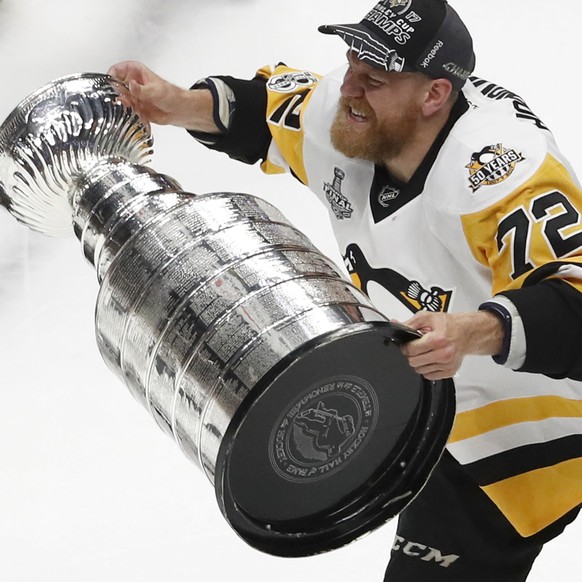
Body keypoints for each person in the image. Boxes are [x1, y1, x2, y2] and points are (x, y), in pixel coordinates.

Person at [108, 0, 582, 579]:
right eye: (353, 58)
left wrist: (470, 330)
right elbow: (270, 112)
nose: (350, 85)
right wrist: (180, 104)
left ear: (434, 95)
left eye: (374, 76)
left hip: (545, 412)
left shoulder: (496, 170)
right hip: (453, 410)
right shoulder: (352, 110)